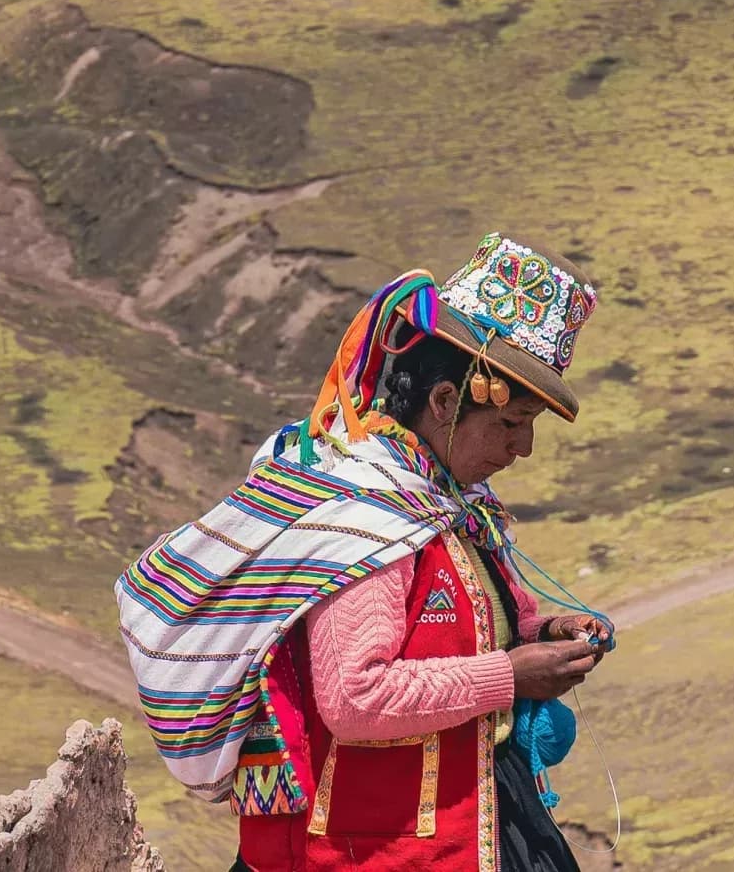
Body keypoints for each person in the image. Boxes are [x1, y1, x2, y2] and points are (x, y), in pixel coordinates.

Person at [117, 233, 608, 871]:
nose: (525, 448)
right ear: (444, 403)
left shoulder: (449, 505)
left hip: (460, 824)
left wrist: (548, 629)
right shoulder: (368, 518)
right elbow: (355, 698)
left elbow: (477, 624)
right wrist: (512, 677)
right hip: (364, 850)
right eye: (511, 423)